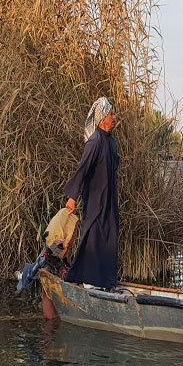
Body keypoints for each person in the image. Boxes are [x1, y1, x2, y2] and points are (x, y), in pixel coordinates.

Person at [63, 97, 120, 290]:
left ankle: (105, 281)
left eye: (113, 113)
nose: (114, 117)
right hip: (95, 201)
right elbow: (82, 169)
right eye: (111, 114)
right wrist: (72, 197)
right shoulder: (94, 142)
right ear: (102, 117)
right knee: (92, 237)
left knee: (109, 238)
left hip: (109, 201)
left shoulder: (111, 142)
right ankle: (84, 279)